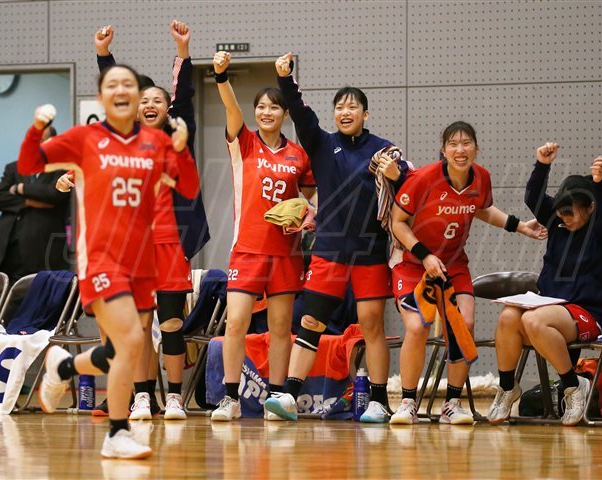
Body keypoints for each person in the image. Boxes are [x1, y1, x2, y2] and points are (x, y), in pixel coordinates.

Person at [19, 63, 199, 459]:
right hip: (102, 258)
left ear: (137, 96)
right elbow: (30, 163)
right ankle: (117, 431)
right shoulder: (86, 138)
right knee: (132, 339)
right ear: (102, 96)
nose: (121, 90)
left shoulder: (155, 143)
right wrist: (37, 130)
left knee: (125, 349)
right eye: (112, 84)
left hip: (144, 260)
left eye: (128, 85)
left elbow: (187, 186)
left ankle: (65, 369)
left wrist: (182, 151)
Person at [70, 21, 209, 421]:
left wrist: (182, 51)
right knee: (141, 325)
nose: (149, 105)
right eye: (143, 100)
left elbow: (185, 96)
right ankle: (144, 396)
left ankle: (175, 398)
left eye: (157, 101)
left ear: (167, 109)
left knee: (172, 323)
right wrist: (104, 56)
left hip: (171, 243)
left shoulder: (178, 136)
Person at [264, 53, 411, 423]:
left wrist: (398, 176)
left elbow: (410, 190)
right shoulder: (320, 143)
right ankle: (288, 396)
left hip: (369, 251)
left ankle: (379, 401)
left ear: (366, 113)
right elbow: (300, 113)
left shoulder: (384, 150)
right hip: (329, 249)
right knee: (311, 322)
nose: (346, 112)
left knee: (372, 324)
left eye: (353, 107)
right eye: (340, 107)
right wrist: (285, 79)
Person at [388, 121, 547, 425]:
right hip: (412, 265)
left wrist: (519, 226)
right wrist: (425, 255)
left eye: (466, 143)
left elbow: (482, 209)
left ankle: (452, 404)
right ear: (443, 150)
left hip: (454, 265)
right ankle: (407, 402)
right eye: (453, 144)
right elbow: (398, 222)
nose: (460, 150)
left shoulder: (481, 177)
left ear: (476, 148)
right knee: (418, 327)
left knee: (465, 323)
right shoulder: (423, 179)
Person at [208, 51, 315, 421]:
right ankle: (230, 399)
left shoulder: (299, 156)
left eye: (274, 107)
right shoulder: (244, 143)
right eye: (261, 107)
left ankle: (278, 398)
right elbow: (231, 108)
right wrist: (221, 75)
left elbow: (308, 199)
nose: (266, 112)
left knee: (281, 327)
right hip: (248, 250)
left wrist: (304, 215)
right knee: (236, 322)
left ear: (285, 114)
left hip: (285, 252)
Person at [486, 143, 602, 426]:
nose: (564, 219)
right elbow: (533, 197)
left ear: (590, 207)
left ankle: (573, 387)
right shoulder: (558, 220)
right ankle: (508, 387)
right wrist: (542, 164)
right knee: (508, 317)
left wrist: (601, 185)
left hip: (587, 313)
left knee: (534, 320)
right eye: (560, 214)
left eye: (571, 214)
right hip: (549, 306)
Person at [0, 126, 70, 285]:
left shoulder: (62, 169)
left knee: (41, 297)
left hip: (43, 252)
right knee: (3, 299)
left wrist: (20, 188)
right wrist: (29, 202)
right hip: (8, 251)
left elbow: (54, 194)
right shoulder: (13, 168)